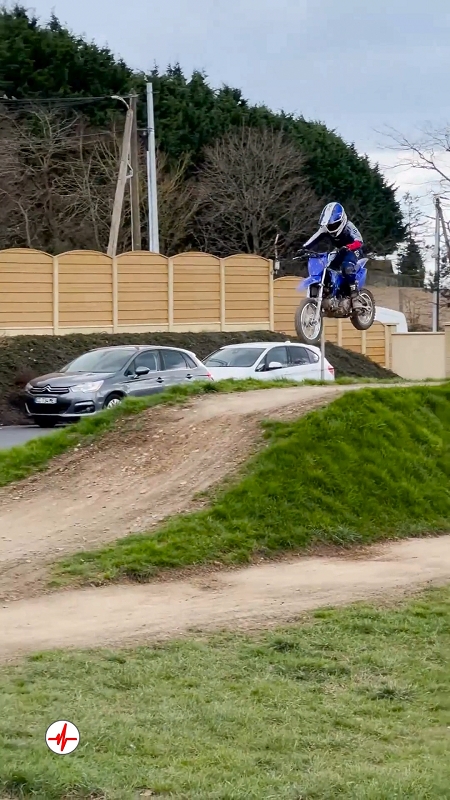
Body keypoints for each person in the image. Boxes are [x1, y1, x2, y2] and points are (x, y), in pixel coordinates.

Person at [303, 202, 365, 304]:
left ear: (341, 220)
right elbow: (313, 239)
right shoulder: (325, 228)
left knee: (347, 267)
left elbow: (359, 241)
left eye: (334, 224)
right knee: (328, 270)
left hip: (353, 250)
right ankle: (332, 294)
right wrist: (303, 248)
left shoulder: (349, 226)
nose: (331, 227)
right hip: (340, 251)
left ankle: (354, 294)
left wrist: (349, 247)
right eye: (329, 225)